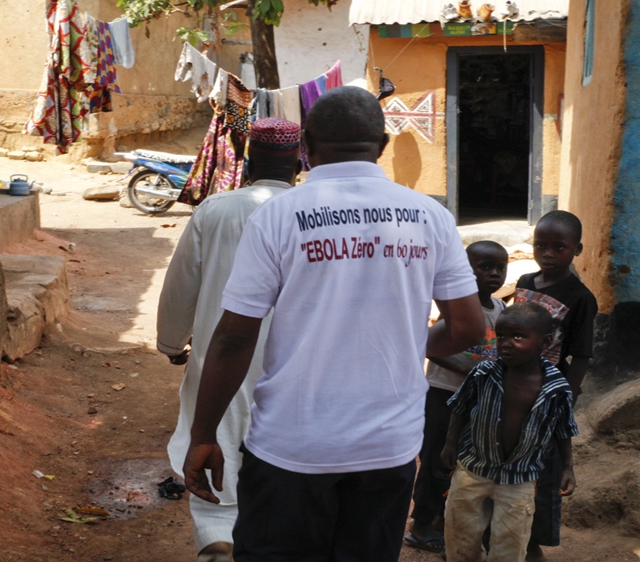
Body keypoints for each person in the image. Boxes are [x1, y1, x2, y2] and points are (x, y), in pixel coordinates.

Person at [182, 86, 485, 562]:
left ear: (307, 144)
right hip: (388, 448)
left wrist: (203, 435)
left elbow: (235, 336)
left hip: (291, 446)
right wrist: (407, 345)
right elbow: (468, 328)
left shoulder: (279, 216)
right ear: (382, 146)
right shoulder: (431, 217)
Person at [157, 117, 302, 562]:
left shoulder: (216, 209)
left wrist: (171, 342)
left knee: (215, 438)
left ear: (247, 159)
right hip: (291, 364)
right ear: (299, 162)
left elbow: (183, 283)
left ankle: (218, 541)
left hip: (222, 356)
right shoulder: (313, 212)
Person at [440, 303, 578, 562]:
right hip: (474, 469)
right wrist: (450, 444)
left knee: (511, 545)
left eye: (517, 336)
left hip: (520, 477)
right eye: (500, 336)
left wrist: (567, 467)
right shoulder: (484, 372)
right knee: (460, 536)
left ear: (545, 341)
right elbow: (459, 407)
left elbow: (563, 429)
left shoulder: (557, 387)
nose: (505, 343)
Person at [406, 240, 508, 553]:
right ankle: (421, 524)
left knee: (459, 462)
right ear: (466, 270)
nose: (493, 274)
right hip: (445, 395)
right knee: (437, 458)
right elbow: (431, 349)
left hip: (475, 400)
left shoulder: (500, 308)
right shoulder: (458, 309)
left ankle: (442, 519)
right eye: (484, 267)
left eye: (499, 268)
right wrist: (470, 371)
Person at [511, 210, 597, 562]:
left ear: (576, 249)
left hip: (547, 391)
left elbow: (582, 356)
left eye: (558, 247)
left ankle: (532, 545)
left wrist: (566, 397)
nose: (547, 253)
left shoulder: (580, 298)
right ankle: (503, 531)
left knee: (541, 469)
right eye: (540, 245)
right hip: (511, 385)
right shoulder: (525, 282)